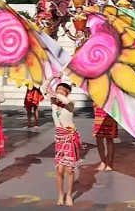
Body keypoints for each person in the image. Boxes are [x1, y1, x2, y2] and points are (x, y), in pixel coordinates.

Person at [44, 73, 81, 207]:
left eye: (61, 90)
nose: (58, 92)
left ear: (67, 93)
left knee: (69, 170)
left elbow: (63, 99)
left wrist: (54, 92)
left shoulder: (70, 103)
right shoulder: (54, 103)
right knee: (59, 170)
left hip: (69, 139)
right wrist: (53, 77)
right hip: (59, 139)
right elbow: (44, 88)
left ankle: (69, 195)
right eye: (57, 89)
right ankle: (60, 194)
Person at [93, 103, 118, 172]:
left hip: (110, 112)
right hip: (99, 111)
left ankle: (110, 164)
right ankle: (103, 162)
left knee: (109, 138)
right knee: (99, 138)